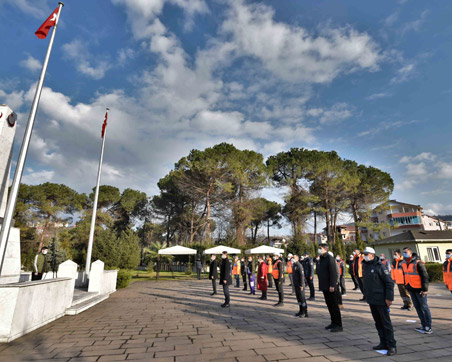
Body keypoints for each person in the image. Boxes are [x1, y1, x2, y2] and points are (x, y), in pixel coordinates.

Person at [361, 247, 397, 356]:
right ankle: (383, 342)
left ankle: (391, 346)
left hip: (381, 299)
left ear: (372, 255)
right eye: (364, 254)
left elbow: (389, 283)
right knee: (378, 323)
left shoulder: (380, 266)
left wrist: (389, 298)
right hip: (371, 299)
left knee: (386, 323)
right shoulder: (365, 266)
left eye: (366, 254)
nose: (365, 256)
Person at [402, 247, 432, 334]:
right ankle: (423, 324)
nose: (404, 254)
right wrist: (406, 286)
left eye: (406, 252)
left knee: (424, 307)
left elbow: (425, 276)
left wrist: (425, 289)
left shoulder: (418, 263)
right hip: (411, 288)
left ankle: (428, 326)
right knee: (418, 307)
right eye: (403, 252)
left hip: (420, 289)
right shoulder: (404, 263)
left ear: (411, 253)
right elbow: (406, 275)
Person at [317, 243, 342, 332]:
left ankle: (338, 325)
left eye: (320, 248)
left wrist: (332, 285)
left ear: (325, 249)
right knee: (329, 305)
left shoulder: (329, 258)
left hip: (330, 286)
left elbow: (333, 273)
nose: (319, 249)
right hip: (325, 286)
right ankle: (333, 322)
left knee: (334, 305)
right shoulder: (322, 259)